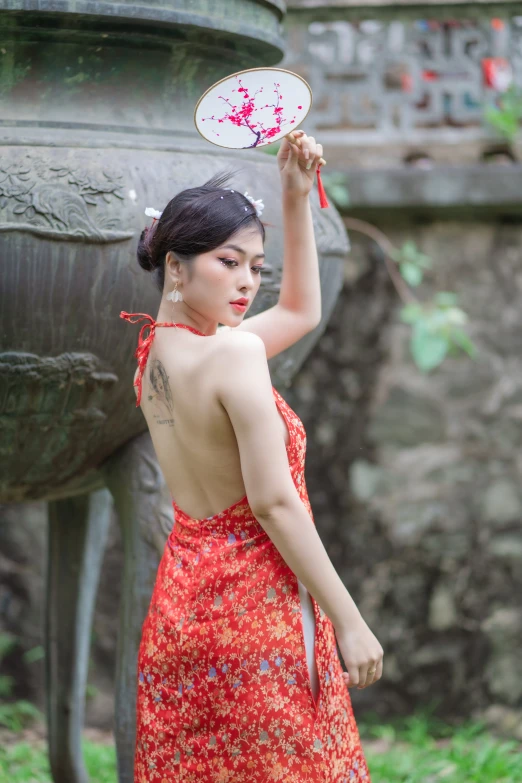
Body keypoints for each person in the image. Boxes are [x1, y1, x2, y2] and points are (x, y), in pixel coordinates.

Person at [120, 131, 383, 782]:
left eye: (255, 266)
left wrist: (294, 198)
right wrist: (349, 621)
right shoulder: (232, 355)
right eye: (228, 262)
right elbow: (272, 502)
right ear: (175, 265)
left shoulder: (154, 357)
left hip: (181, 615)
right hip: (255, 619)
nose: (246, 282)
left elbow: (299, 309)